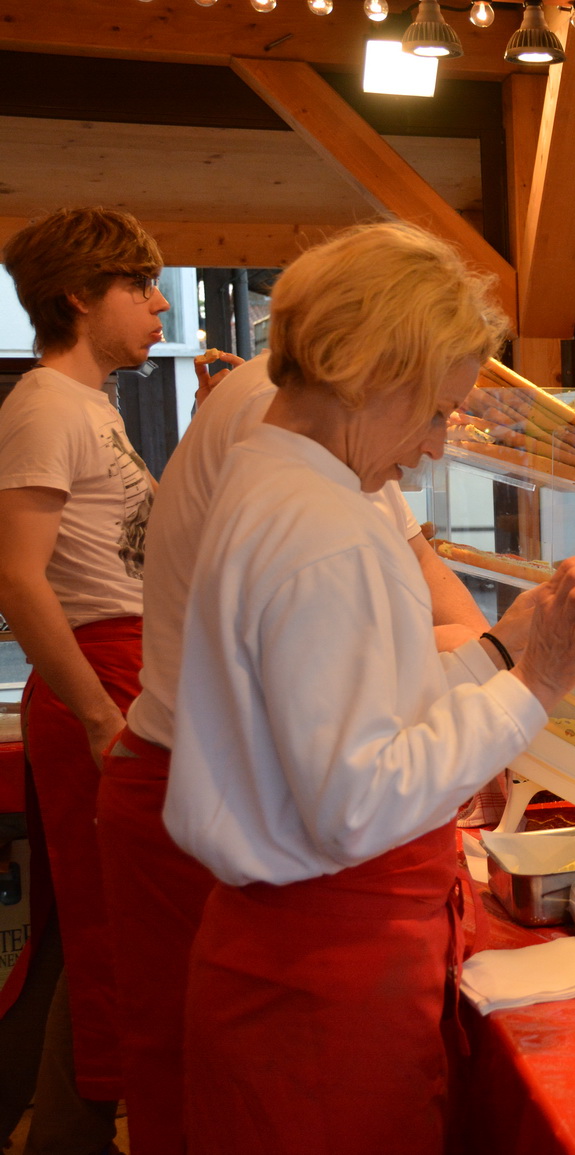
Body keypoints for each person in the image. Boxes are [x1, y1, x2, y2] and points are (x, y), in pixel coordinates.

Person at [162, 222, 575, 1155]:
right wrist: (533, 687)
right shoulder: (320, 526)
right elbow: (357, 799)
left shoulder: (296, 485)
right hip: (323, 977)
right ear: (372, 370)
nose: (435, 444)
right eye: (437, 410)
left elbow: (375, 698)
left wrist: (499, 647)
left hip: (299, 959)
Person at [0, 207, 170, 1150]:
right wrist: (104, 717)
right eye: (137, 287)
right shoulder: (43, 405)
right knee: (111, 934)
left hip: (127, 668)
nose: (155, 305)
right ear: (77, 295)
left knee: (115, 931)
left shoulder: (92, 405)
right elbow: (19, 580)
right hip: (95, 678)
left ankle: (74, 1125)